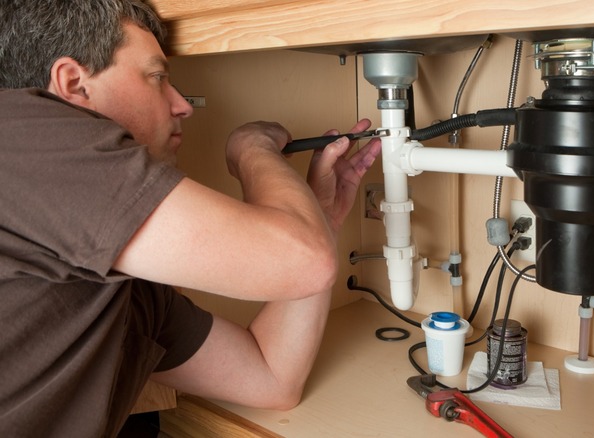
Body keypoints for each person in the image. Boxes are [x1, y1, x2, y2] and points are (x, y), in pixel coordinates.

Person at [0, 1, 382, 436]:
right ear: (73, 83)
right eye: (158, 77)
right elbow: (305, 261)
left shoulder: (126, 287)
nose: (182, 106)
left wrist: (322, 221)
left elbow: (273, 378)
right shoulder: (15, 137)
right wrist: (252, 148)